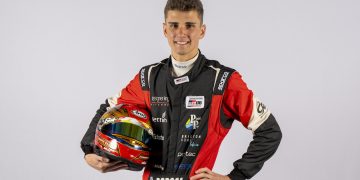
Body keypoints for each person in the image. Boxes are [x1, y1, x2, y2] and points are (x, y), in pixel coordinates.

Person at [80, 0, 282, 179]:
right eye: (174, 25)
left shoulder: (223, 81)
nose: (181, 33)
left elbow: (270, 131)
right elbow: (107, 109)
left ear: (202, 30)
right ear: (165, 30)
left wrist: (234, 177)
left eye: (190, 26)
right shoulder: (148, 78)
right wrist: (89, 151)